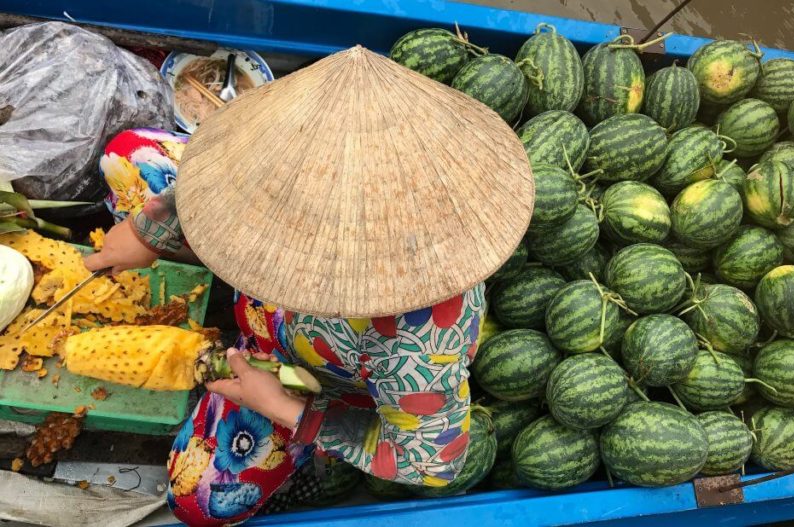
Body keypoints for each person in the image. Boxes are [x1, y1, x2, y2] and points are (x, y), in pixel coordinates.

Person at [84, 46, 531, 527]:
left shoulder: (421, 336)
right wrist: (148, 232)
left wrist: (282, 406)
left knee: (200, 499)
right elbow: (227, 177)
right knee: (127, 155)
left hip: (303, 374)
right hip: (263, 306)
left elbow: (432, 461)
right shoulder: (280, 147)